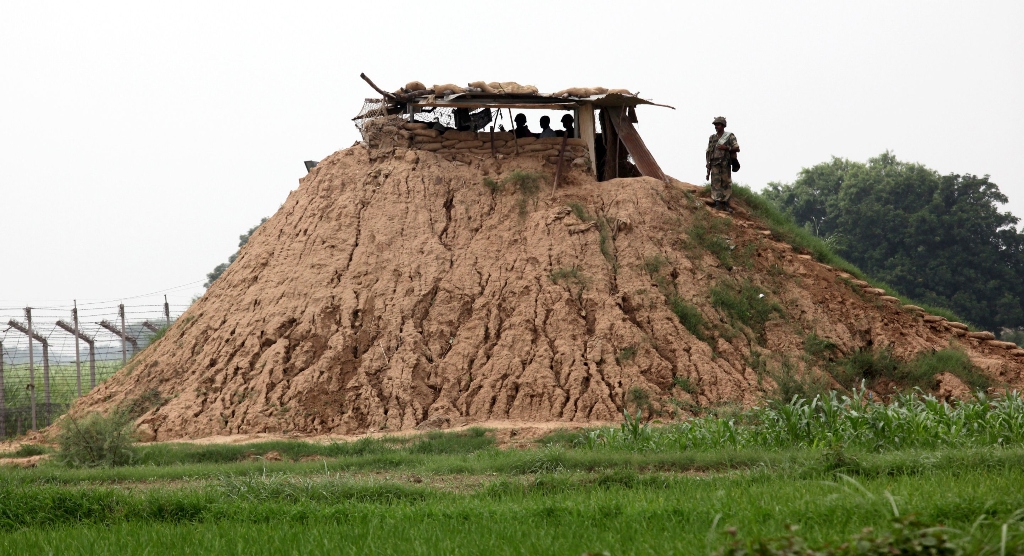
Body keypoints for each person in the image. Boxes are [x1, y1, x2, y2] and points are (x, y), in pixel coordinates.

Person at [705, 116, 740, 212]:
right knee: (715, 184)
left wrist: (727, 148)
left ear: (723, 125)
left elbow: (737, 148)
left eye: (718, 124)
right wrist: (708, 164)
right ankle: (717, 203)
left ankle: (725, 204)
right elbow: (709, 152)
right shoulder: (712, 138)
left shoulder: (729, 136)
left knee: (725, 183)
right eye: (715, 125)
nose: (716, 126)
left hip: (725, 163)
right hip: (714, 164)